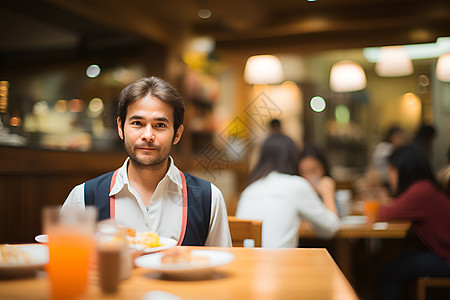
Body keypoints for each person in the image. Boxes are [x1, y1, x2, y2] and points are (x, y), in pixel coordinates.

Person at [62, 76, 231, 247]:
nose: (148, 135)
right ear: (121, 128)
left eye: (160, 125)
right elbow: (64, 264)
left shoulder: (209, 198)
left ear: (177, 134)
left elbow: (224, 268)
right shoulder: (83, 197)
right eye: (137, 123)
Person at [235, 134, 340, 248]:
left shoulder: (249, 190)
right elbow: (331, 228)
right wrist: (328, 192)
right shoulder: (296, 185)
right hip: (282, 263)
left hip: (245, 262)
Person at [376, 144, 450, 300]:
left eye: (391, 171)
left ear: (404, 170)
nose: (389, 177)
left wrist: (381, 200)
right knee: (398, 262)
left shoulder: (420, 190)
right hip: (443, 254)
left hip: (446, 259)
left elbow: (384, 214)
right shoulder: (425, 187)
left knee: (389, 271)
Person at [299, 143, 338, 215]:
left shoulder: (328, 189)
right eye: (303, 172)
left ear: (324, 169)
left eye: (313, 171)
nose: (309, 177)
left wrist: (327, 193)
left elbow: (334, 221)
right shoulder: (297, 196)